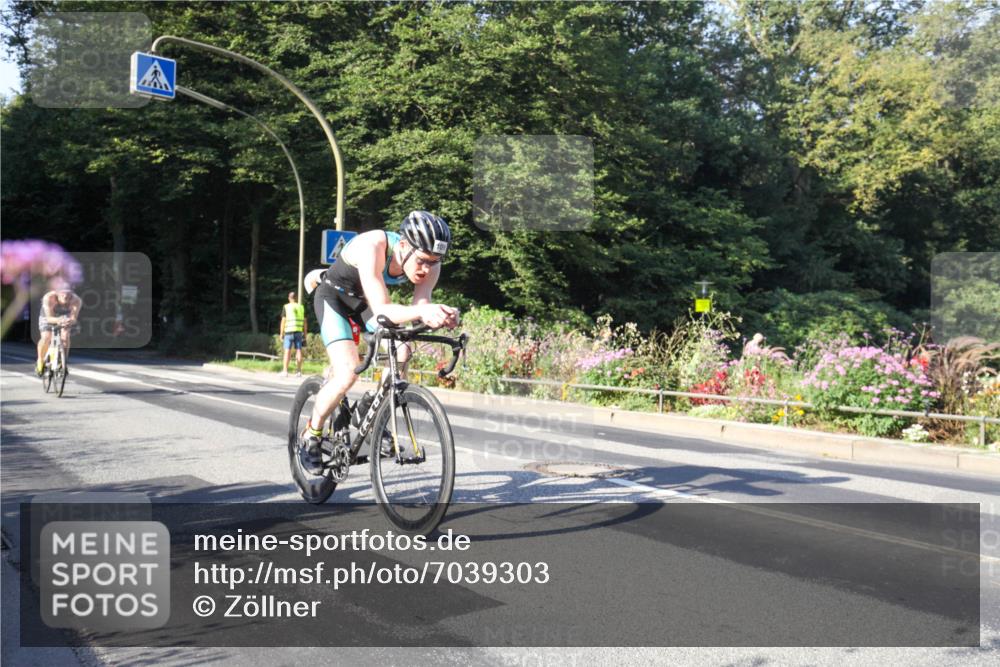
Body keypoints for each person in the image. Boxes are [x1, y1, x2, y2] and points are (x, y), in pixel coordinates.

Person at [298, 210, 460, 474]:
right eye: (422, 261)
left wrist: (441, 315)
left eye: (434, 262)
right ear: (405, 246)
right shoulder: (372, 245)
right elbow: (384, 310)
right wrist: (423, 312)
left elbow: (420, 309)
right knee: (347, 372)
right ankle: (311, 434)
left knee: (403, 349)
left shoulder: (429, 261)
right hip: (334, 298)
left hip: (364, 303)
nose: (426, 269)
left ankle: (368, 405)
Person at [36, 286, 82, 376]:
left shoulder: (76, 300)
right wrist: (58, 320)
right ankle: (40, 360)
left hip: (65, 316)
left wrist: (70, 321)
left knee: (65, 335)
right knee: (46, 337)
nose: (65, 296)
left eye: (68, 294)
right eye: (62, 293)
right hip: (49, 316)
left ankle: (63, 363)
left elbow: (73, 318)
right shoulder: (48, 298)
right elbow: (48, 318)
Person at [279, 291, 307, 377]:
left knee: (287, 351)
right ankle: (298, 371)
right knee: (299, 350)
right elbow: (305, 322)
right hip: (298, 331)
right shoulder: (301, 307)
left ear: (289, 298)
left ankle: (285, 371)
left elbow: (283, 321)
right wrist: (305, 334)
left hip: (288, 331)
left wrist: (281, 333)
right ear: (296, 298)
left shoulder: (286, 307)